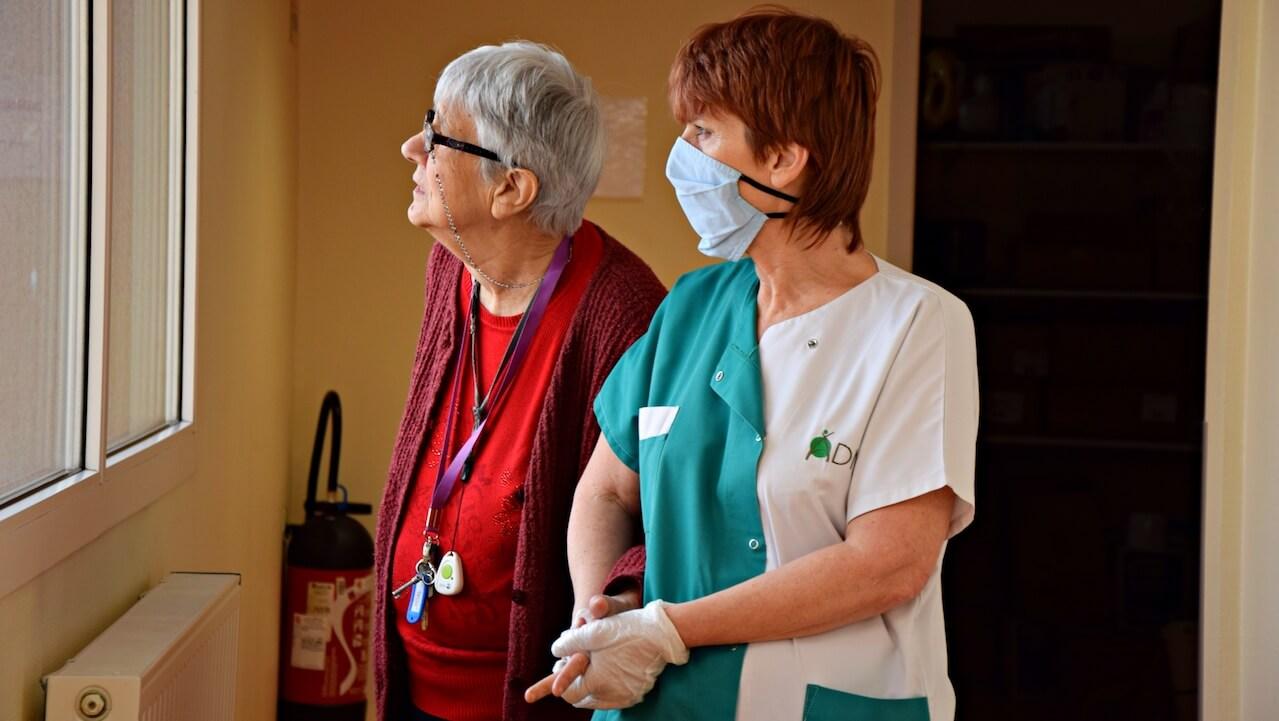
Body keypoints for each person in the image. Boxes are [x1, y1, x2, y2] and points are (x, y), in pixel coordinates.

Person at [528, 9, 979, 721]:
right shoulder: (690, 307)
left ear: (782, 158)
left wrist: (667, 628)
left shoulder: (917, 325)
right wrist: (603, 611)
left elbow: (887, 564)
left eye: (703, 132)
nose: (682, 155)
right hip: (663, 705)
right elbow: (606, 493)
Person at [374, 41, 665, 721]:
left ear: (511, 189)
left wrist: (615, 600)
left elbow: (661, 515)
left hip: (525, 697)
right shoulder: (451, 271)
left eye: (438, 136)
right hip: (415, 679)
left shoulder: (624, 312)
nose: (411, 148)